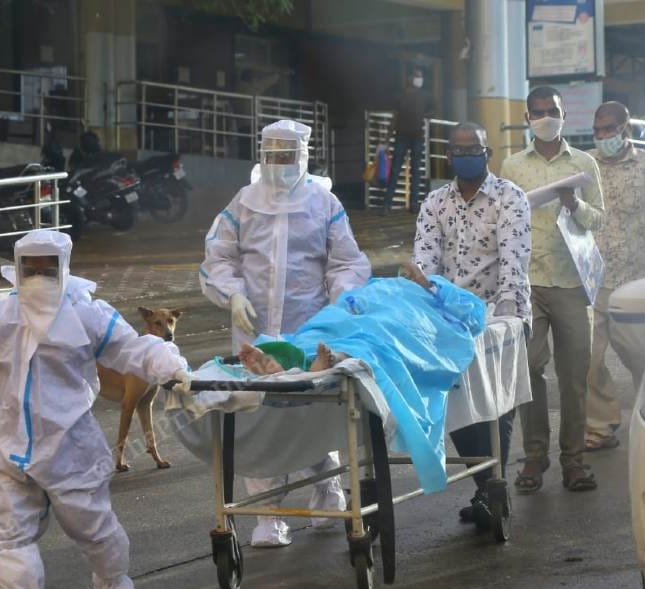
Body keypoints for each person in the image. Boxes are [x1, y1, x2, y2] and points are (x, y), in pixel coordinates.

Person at [0, 230, 191, 589]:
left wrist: (170, 367)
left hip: (70, 443)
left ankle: (112, 582)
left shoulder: (87, 314)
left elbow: (133, 349)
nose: (38, 274)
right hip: (8, 446)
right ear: (18, 268)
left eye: (47, 266)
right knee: (11, 533)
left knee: (91, 523)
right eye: (30, 267)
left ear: (63, 266)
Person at [200, 119, 372, 547]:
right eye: (271, 155)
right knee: (257, 416)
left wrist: (340, 301)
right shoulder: (243, 203)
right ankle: (268, 514)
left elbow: (347, 262)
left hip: (306, 327)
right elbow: (217, 258)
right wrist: (233, 295)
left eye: (286, 155)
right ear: (261, 154)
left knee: (308, 411)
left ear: (303, 156)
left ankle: (327, 485)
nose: (278, 164)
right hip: (253, 330)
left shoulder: (323, 203)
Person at [234, 263, 486, 494]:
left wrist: (429, 285)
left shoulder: (441, 300)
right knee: (337, 325)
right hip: (363, 306)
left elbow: (473, 316)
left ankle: (311, 359)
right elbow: (349, 300)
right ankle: (302, 358)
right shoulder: (384, 285)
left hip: (408, 317)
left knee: (379, 334)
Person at [411, 122, 531, 526]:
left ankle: (494, 488)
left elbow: (514, 260)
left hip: (500, 312)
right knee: (457, 405)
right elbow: (426, 264)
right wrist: (424, 302)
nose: (466, 155)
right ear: (448, 157)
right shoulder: (435, 204)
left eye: (474, 148)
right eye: (458, 149)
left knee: (497, 405)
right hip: (451, 316)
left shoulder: (509, 198)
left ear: (488, 152)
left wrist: (509, 317)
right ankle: (487, 487)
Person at [500, 85, 605, 494]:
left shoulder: (583, 164)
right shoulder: (512, 166)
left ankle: (574, 461)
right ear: (528, 118)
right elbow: (504, 220)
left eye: (553, 111)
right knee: (527, 371)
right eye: (538, 112)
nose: (546, 117)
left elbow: (599, 219)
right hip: (528, 282)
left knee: (575, 376)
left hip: (573, 281)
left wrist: (573, 204)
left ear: (565, 115)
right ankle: (534, 455)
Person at [585, 102, 645, 450]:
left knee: (642, 356)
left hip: (636, 280)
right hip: (592, 280)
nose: (602, 136)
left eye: (608, 129)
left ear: (626, 129)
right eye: (597, 130)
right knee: (588, 360)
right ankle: (599, 426)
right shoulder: (585, 165)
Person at [383, 66, 432, 214]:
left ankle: (413, 204)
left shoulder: (426, 96)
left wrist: (427, 115)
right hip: (402, 137)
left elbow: (434, 109)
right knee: (395, 170)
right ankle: (387, 205)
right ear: (410, 78)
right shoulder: (401, 95)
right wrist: (388, 137)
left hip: (417, 137)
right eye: (417, 76)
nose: (419, 79)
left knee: (415, 172)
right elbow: (395, 117)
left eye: (421, 76)